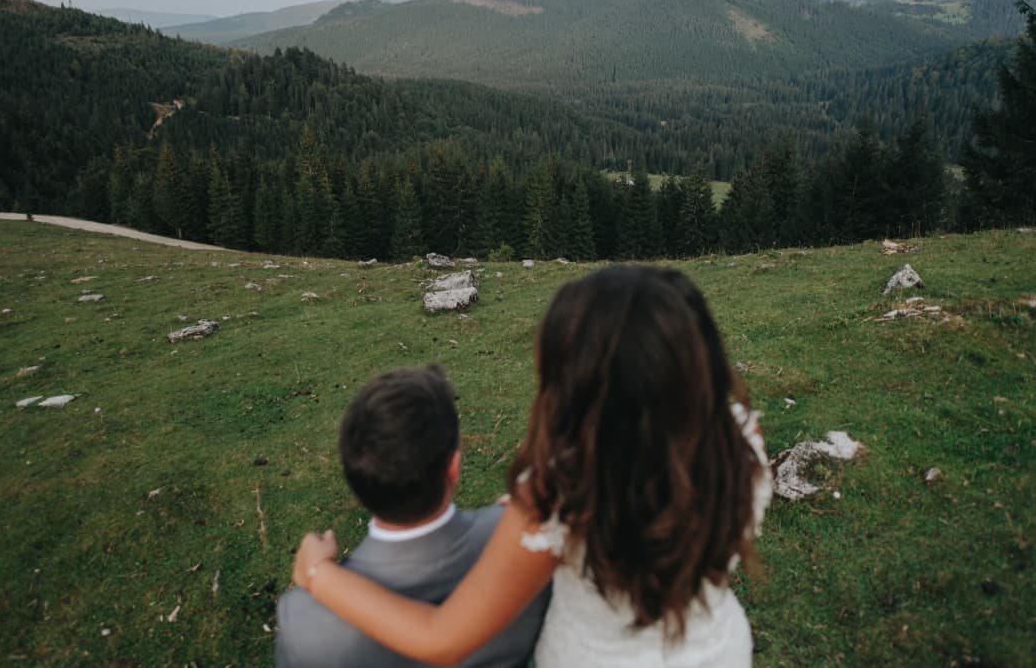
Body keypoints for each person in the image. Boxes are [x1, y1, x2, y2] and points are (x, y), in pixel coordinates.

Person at [291, 266, 772, 667]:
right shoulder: (739, 440)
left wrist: (319, 575)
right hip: (716, 651)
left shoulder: (558, 494)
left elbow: (440, 638)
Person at [276, 364, 550, 668]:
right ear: (454, 468)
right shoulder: (531, 538)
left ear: (354, 477)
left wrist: (318, 573)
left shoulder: (302, 618)